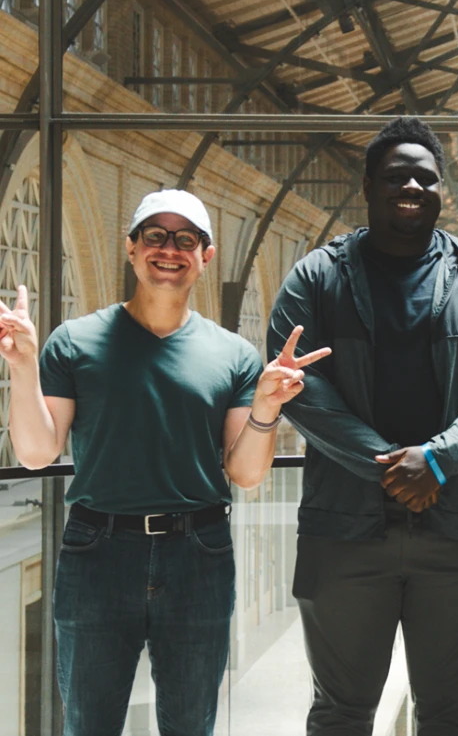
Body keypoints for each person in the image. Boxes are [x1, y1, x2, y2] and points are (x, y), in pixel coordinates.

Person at [0, 189, 328, 736]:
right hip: (96, 552)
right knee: (89, 723)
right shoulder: (73, 343)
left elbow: (245, 474)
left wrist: (267, 406)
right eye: (154, 236)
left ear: (206, 256)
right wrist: (25, 364)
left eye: (185, 239)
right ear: (131, 249)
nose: (168, 250)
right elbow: (36, 452)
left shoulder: (234, 355)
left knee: (189, 725)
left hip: (197, 553)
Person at [267, 116, 458, 735]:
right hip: (345, 533)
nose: (411, 185)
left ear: (443, 190)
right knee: (340, 715)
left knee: (452, 716)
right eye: (395, 175)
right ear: (368, 185)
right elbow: (295, 385)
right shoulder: (317, 276)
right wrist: (390, 465)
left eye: (425, 176)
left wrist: (437, 459)